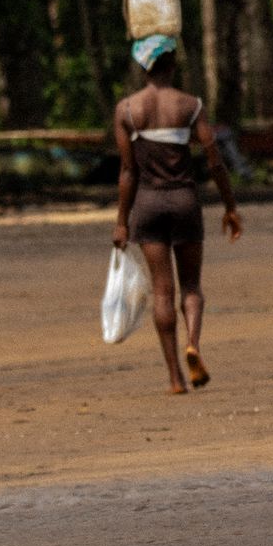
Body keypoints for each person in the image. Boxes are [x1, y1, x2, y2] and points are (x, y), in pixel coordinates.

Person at [113, 35, 243, 395]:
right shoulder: (191, 105)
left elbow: (127, 171)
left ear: (143, 68)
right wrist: (230, 206)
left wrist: (122, 221)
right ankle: (194, 345)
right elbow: (215, 160)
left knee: (161, 291)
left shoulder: (127, 110)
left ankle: (174, 378)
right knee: (191, 287)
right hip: (185, 202)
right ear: (172, 64)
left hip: (148, 205)